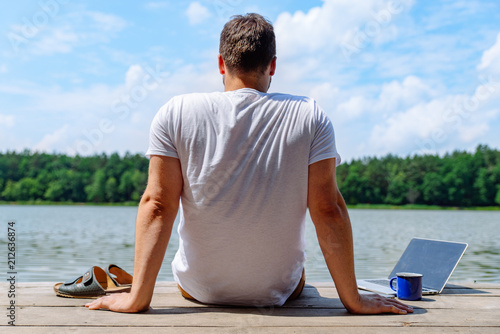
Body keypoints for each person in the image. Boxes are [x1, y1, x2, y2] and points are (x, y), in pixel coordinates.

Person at [86, 13, 413, 315]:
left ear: (220, 63)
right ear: (272, 65)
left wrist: (137, 298)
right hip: (279, 291)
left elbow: (157, 204)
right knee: (303, 278)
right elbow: (327, 209)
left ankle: (142, 291)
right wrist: (353, 300)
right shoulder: (310, 115)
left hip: (199, 289)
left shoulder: (175, 112)